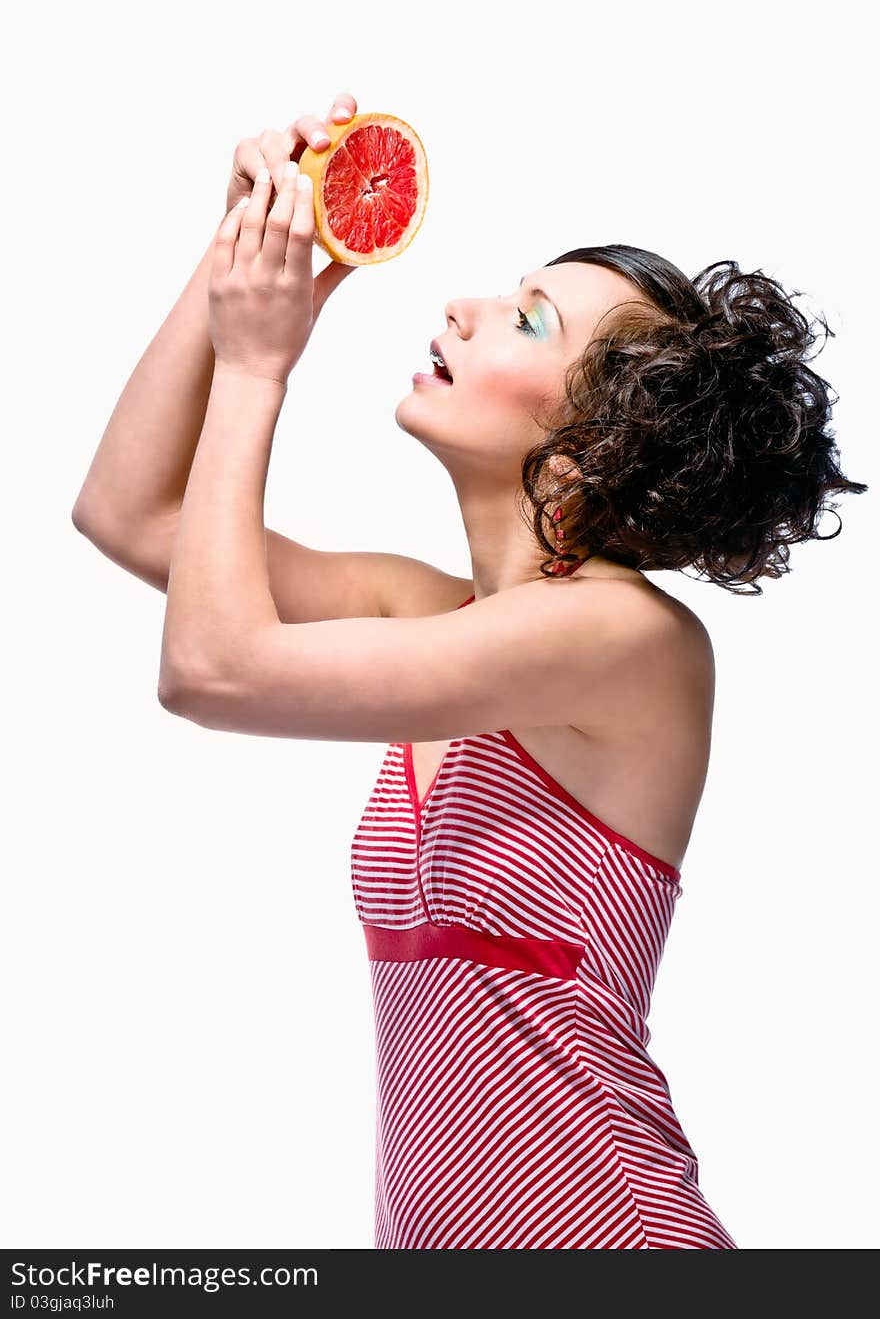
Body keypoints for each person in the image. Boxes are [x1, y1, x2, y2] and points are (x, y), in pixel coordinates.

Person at [72, 92, 867, 1250]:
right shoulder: (435, 616)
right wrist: (237, 256)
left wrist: (257, 369)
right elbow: (131, 514)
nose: (464, 304)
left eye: (527, 319)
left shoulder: (624, 643)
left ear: (595, 443)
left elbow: (212, 669)